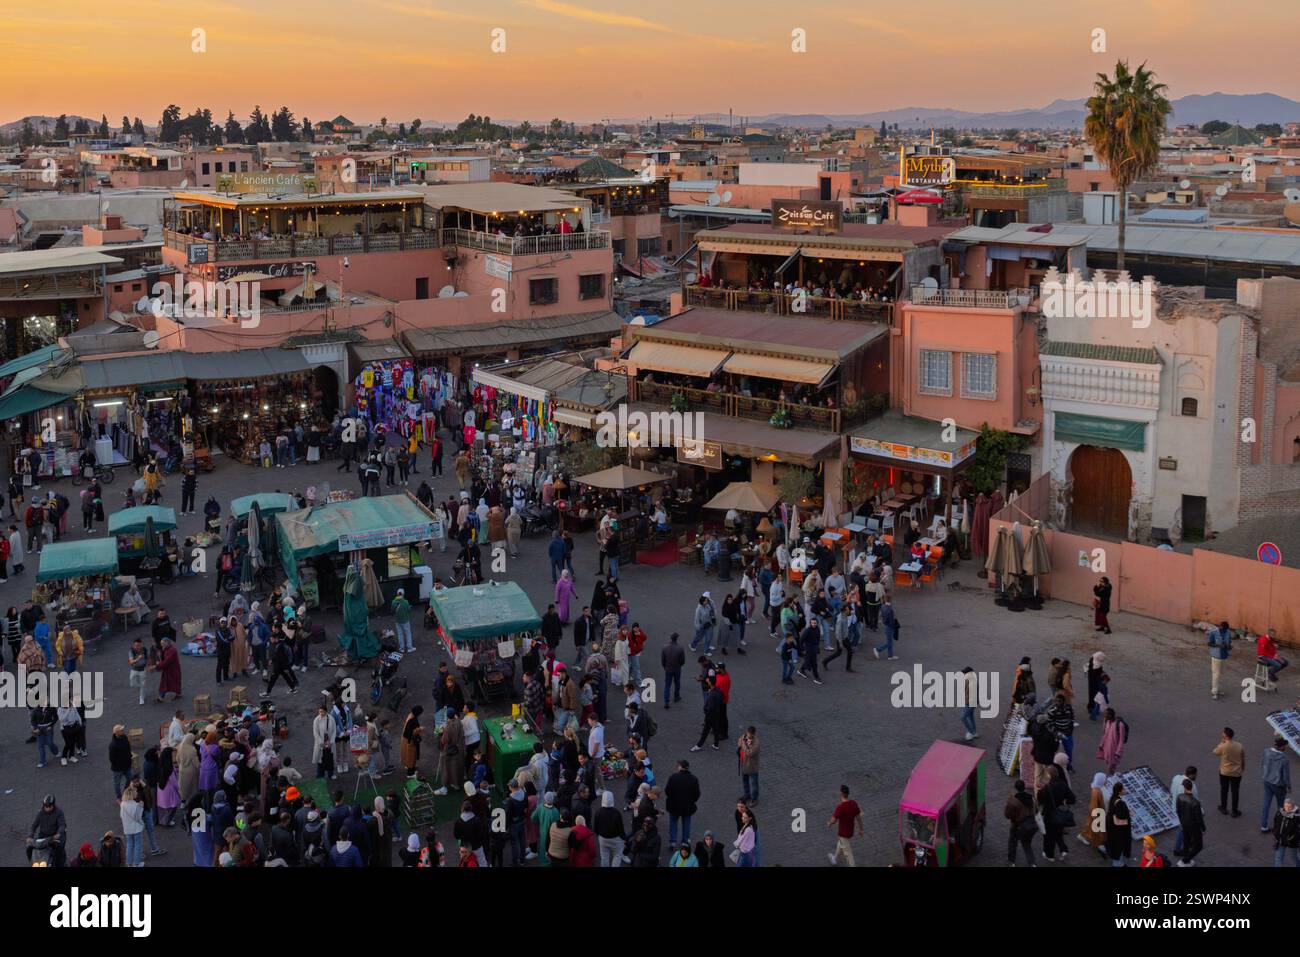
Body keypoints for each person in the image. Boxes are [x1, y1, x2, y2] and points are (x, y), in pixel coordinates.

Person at [664, 759, 701, 846]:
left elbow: (667, 791)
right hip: (687, 806)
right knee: (686, 824)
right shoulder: (694, 779)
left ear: (680, 767)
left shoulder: (673, 777)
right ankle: (685, 841)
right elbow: (697, 794)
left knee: (673, 823)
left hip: (674, 805)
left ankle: (673, 841)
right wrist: (692, 801)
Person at [1261, 735, 1292, 834]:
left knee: (1266, 804)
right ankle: (1280, 827)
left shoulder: (1266, 751)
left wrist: (1264, 775)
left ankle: (1264, 826)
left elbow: (1262, 764)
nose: (1285, 748)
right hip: (1278, 785)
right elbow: (1286, 776)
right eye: (1284, 746)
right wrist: (1288, 787)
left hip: (1267, 781)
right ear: (1282, 747)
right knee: (1281, 807)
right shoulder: (1284, 759)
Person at [1213, 726, 1244, 817]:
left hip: (1225, 772)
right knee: (1235, 792)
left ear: (1226, 736)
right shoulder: (1239, 745)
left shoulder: (1223, 746)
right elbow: (1242, 757)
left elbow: (1215, 752)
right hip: (1236, 772)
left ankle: (1223, 807)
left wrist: (1221, 742)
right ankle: (1234, 811)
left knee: (1224, 790)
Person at [1004, 779, 1037, 867]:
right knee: (1026, 844)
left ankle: (1011, 862)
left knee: (1013, 842)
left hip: (1018, 825)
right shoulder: (1031, 797)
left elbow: (1007, 815)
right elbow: (1036, 810)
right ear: (1024, 787)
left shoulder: (1013, 800)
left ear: (1016, 788)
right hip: (1031, 825)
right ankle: (1032, 863)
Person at [827, 784, 862, 866]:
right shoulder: (853, 803)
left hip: (843, 833)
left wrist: (829, 823)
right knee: (841, 844)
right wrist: (861, 829)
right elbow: (859, 818)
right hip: (850, 831)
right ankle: (834, 858)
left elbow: (834, 820)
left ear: (841, 794)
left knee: (849, 854)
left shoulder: (840, 807)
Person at [1175, 777, 1206, 866]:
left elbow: (1178, 811)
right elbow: (1199, 818)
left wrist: (1182, 821)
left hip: (1184, 823)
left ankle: (1186, 858)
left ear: (1184, 787)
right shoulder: (1195, 802)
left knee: (1186, 841)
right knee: (1199, 846)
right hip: (1194, 826)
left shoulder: (1179, 797)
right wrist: (1203, 828)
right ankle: (1186, 859)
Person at [690, 677, 726, 751]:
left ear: (710, 683)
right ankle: (716, 744)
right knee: (716, 729)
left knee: (705, 731)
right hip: (716, 714)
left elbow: (710, 707)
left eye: (708, 680)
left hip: (710, 715)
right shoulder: (718, 691)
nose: (707, 681)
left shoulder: (712, 694)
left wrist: (706, 711)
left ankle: (699, 745)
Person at [1169, 766, 1198, 857]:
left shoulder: (1176, 778)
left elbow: (1171, 791)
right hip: (1184, 812)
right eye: (1196, 774)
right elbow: (1194, 800)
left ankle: (1189, 841)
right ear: (1192, 775)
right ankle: (1177, 849)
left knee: (1184, 828)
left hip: (1175, 806)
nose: (1197, 776)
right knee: (1182, 829)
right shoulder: (1191, 786)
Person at [1106, 781, 1132, 867]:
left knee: (1115, 845)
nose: (1125, 790)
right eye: (1123, 789)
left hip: (1112, 826)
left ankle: (1117, 862)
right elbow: (1121, 815)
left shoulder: (1112, 798)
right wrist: (1128, 813)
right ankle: (1118, 864)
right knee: (1119, 846)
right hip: (1118, 829)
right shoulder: (1120, 802)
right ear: (1120, 791)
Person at [1271, 798, 1300, 867]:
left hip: (1292, 842)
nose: (1286, 808)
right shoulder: (1279, 813)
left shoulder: (1297, 817)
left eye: (1289, 807)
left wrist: (1289, 839)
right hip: (1280, 840)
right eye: (1285, 806)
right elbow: (1275, 822)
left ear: (1292, 806)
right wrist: (1275, 833)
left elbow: (1298, 832)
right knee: (1278, 858)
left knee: (1294, 857)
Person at [1207, 620, 1232, 699]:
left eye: (1225, 629)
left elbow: (1229, 643)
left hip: (1224, 656)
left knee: (1219, 673)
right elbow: (1209, 643)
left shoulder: (1228, 632)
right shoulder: (1213, 632)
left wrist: (1229, 646)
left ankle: (1215, 689)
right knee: (1216, 674)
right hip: (1216, 656)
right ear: (1220, 627)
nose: (1223, 630)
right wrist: (1218, 645)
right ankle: (1214, 692)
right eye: (1222, 629)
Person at [661, 631, 685, 708]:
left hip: (668, 669)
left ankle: (666, 701)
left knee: (667, 685)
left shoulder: (665, 648)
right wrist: (679, 665)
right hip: (677, 668)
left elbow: (663, 660)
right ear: (677, 639)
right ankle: (676, 697)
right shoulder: (680, 648)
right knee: (677, 683)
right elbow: (682, 661)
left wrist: (665, 667)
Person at [391, 589, 413, 653]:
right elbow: (408, 610)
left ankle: (402, 648)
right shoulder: (405, 602)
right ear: (403, 594)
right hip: (405, 620)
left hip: (397, 620)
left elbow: (392, 610)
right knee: (408, 633)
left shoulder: (393, 601)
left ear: (397, 594)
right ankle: (409, 648)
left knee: (400, 634)